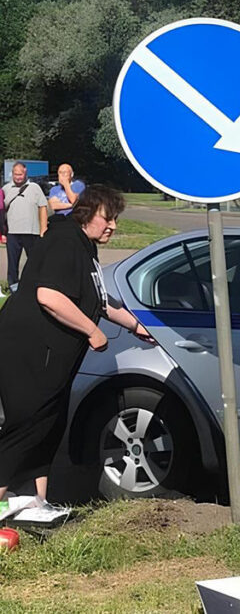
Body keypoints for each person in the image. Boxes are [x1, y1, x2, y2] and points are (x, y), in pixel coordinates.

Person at [0, 185, 154, 519]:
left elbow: (98, 298)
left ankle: (34, 503)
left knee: (49, 424)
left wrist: (135, 325)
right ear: (86, 213)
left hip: (54, 354)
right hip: (31, 349)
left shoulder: (84, 248)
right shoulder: (64, 242)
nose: (112, 225)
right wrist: (92, 330)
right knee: (27, 424)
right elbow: (49, 296)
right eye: (107, 217)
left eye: (115, 219)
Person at [2, 162, 49, 289]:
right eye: (16, 174)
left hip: (32, 231)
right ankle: (13, 288)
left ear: (25, 173)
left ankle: (35, 286)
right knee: (12, 264)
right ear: (12, 173)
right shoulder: (5, 189)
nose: (18, 177)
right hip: (12, 232)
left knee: (34, 262)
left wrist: (43, 229)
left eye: (20, 174)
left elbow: (43, 207)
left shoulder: (34, 187)